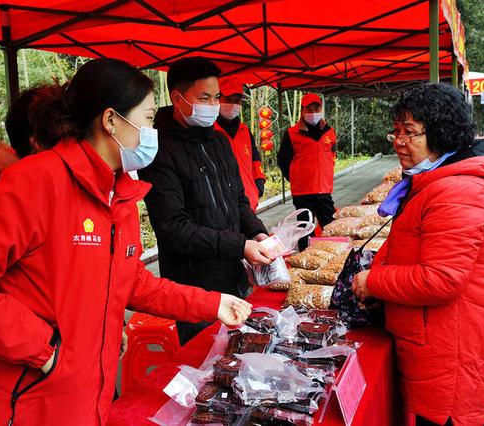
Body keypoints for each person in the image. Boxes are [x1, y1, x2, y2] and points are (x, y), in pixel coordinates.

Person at [0, 58, 252, 425]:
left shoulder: (118, 194)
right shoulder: (38, 182)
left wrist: (212, 302)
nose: (154, 131)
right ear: (110, 121)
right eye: (150, 119)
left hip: (86, 398)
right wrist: (45, 351)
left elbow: (131, 281)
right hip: (22, 406)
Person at [351, 83, 484, 426]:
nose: (399, 141)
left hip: (456, 348)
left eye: (409, 132)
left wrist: (374, 281)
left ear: (440, 134)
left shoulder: (460, 191)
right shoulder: (438, 178)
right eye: (395, 131)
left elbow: (440, 279)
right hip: (445, 338)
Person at [137, 57, 271, 345]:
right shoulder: (159, 150)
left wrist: (257, 232)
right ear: (178, 97)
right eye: (204, 98)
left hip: (234, 275)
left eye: (216, 97)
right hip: (193, 289)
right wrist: (240, 245)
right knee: (207, 367)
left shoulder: (219, 142)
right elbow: (174, 228)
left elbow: (237, 200)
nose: (212, 105)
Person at [277, 92, 337, 251]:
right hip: (303, 193)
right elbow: (283, 161)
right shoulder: (291, 134)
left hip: (324, 190)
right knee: (304, 231)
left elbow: (333, 155)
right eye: (308, 109)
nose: (312, 112)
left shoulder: (329, 132)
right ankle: (304, 259)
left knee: (331, 228)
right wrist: (296, 179)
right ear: (302, 111)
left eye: (315, 108)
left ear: (321, 109)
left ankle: (333, 255)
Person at [215, 77, 266, 212]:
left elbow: (255, 160)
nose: (233, 105)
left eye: (237, 101)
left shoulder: (245, 131)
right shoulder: (209, 131)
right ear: (218, 99)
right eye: (228, 100)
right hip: (223, 206)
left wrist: (259, 183)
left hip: (249, 202)